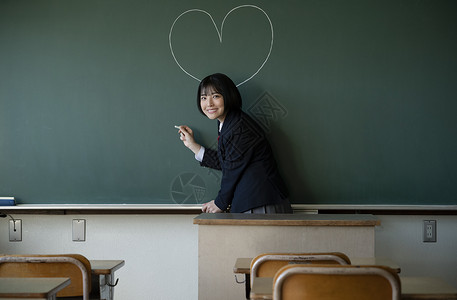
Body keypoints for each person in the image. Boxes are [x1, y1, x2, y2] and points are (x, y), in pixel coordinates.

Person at [176, 73, 292, 214]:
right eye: (204, 98)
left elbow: (232, 169)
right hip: (254, 202)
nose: (209, 103)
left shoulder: (239, 128)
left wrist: (220, 203)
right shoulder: (228, 123)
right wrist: (192, 145)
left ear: (228, 96)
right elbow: (229, 161)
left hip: (261, 203)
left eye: (216, 96)